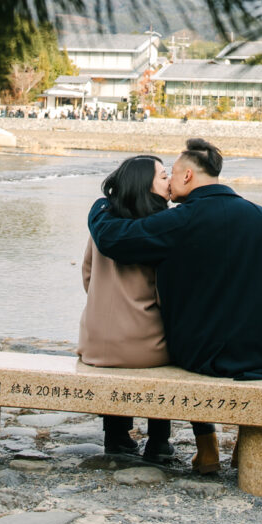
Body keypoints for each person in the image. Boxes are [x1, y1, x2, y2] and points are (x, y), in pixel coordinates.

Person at [86, 137, 262, 476]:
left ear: (188, 176)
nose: (169, 184)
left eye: (171, 175)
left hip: (198, 351)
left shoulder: (180, 220)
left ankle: (207, 445)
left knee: (181, 346)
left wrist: (101, 208)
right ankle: (245, 441)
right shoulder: (261, 217)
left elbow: (116, 240)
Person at [77, 154, 187, 462]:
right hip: (144, 346)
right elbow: (167, 294)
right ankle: (159, 440)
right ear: (145, 185)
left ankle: (116, 436)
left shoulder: (103, 226)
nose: (169, 182)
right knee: (172, 349)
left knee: (119, 357)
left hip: (94, 342)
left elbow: (87, 276)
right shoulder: (159, 229)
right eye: (163, 176)